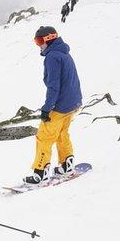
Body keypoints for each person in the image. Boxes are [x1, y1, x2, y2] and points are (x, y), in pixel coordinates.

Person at [26, 26, 82, 184]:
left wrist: (47, 108)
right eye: (36, 41)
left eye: (40, 41)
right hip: (71, 102)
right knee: (62, 134)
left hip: (59, 105)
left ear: (49, 39)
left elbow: (54, 86)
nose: (39, 45)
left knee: (44, 137)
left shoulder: (52, 57)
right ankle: (66, 164)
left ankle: (40, 173)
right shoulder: (64, 53)